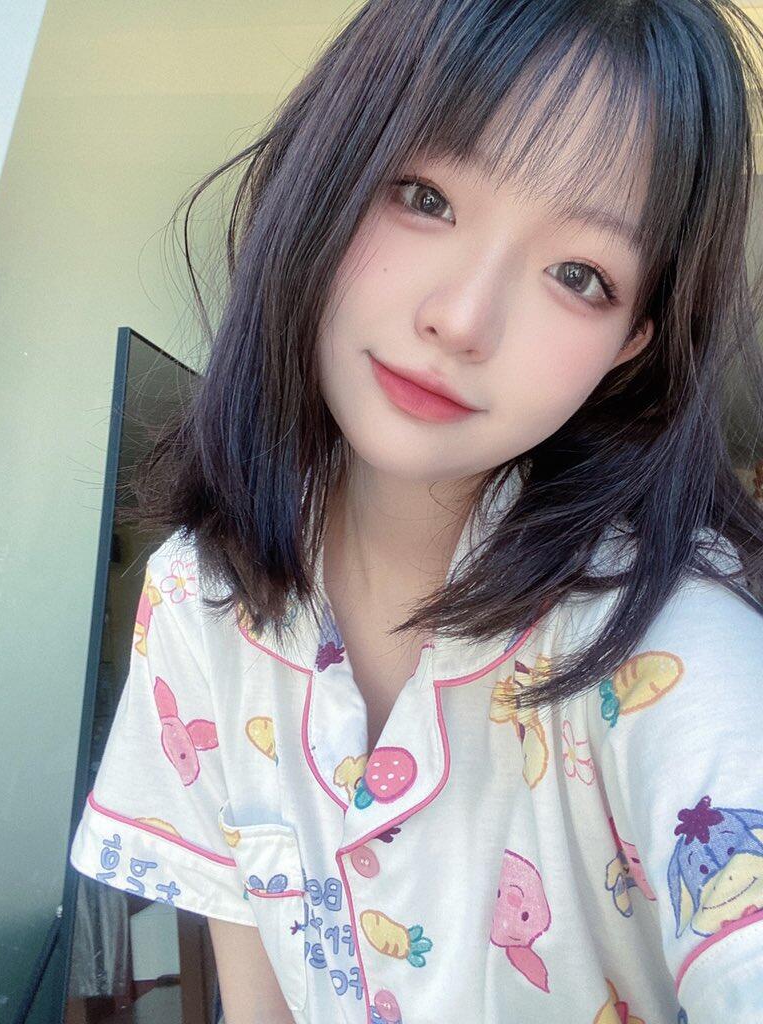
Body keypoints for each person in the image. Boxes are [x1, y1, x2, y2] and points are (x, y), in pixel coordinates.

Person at [69, 1, 763, 1022]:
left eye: (578, 275)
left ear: (629, 344)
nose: (462, 319)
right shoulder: (197, 599)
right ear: (325, 173)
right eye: (425, 196)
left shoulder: (673, 648)